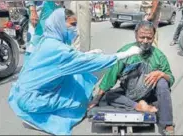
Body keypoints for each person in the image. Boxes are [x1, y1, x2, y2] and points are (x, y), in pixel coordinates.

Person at [8, 8, 142, 135]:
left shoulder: (46, 40)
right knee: (78, 106)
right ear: (59, 23)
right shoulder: (59, 49)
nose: (75, 30)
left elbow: (68, 60)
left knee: (75, 75)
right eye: (72, 25)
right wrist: (123, 54)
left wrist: (88, 54)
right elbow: (86, 62)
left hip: (24, 92)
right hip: (32, 99)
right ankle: (38, 119)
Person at [88, 21, 175, 135]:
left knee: (163, 82)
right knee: (108, 95)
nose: (145, 41)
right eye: (142, 37)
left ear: (153, 37)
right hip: (128, 92)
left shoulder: (159, 56)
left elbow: (171, 79)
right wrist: (96, 99)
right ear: (135, 35)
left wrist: (162, 74)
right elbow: (110, 76)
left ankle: (167, 124)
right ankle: (138, 106)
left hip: (149, 95)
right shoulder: (126, 52)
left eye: (149, 38)